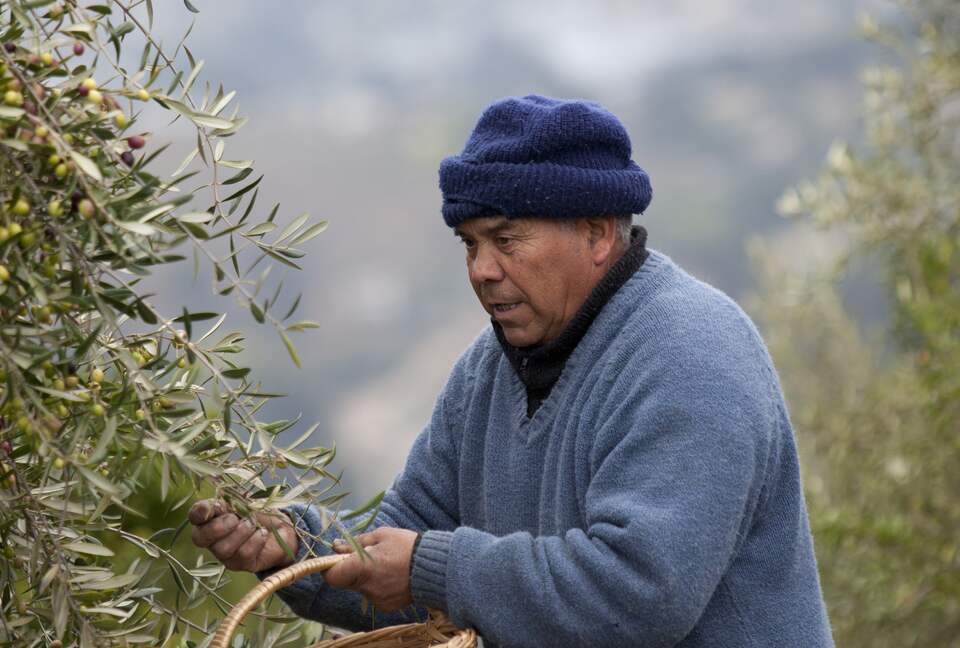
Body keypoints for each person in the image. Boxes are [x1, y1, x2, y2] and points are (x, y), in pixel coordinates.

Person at [189, 94, 834, 647]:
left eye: (506, 239)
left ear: (597, 233)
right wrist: (296, 548)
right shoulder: (487, 372)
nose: (480, 270)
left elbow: (640, 594)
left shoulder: (691, 353)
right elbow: (405, 553)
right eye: (469, 243)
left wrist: (429, 569)